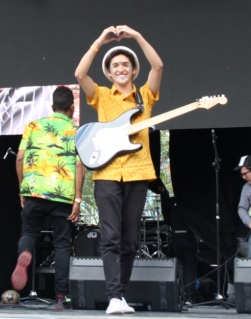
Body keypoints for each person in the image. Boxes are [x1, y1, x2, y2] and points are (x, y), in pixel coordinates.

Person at [74, 25, 163, 315]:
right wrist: (100, 40)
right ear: (110, 73)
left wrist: (137, 36)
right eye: (116, 66)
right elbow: (79, 74)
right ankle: (114, 296)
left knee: (130, 240)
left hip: (138, 173)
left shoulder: (145, 96)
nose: (121, 68)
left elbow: (158, 65)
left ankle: (120, 295)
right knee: (110, 236)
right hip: (108, 174)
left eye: (126, 64)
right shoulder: (100, 94)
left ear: (133, 70)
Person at [10, 86, 85, 310]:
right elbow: (80, 165)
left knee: (28, 233)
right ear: (72, 108)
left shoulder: (33, 126)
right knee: (62, 244)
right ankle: (62, 296)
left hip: (34, 190)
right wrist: (78, 199)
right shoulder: (76, 130)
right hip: (62, 195)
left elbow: (20, 158)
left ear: (52, 107)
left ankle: (25, 252)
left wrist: (23, 189)